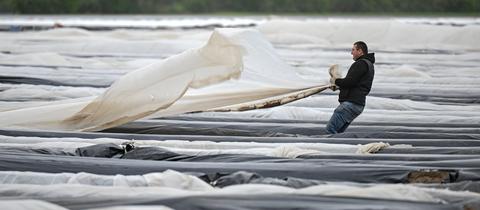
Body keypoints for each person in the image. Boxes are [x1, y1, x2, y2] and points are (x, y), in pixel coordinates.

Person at [326, 41, 375, 134]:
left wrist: (336, 81)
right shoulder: (369, 65)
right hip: (358, 104)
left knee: (330, 130)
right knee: (338, 133)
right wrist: (340, 86)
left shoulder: (361, 63)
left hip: (351, 104)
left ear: (360, 51)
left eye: (353, 50)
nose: (351, 53)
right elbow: (357, 84)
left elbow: (350, 82)